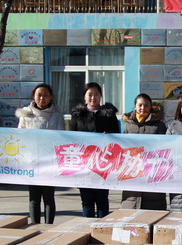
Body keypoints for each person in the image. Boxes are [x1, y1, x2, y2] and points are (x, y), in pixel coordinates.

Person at [15, 83, 65, 224]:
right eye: (39, 95)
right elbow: (20, 138)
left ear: (51, 97)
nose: (42, 98)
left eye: (45, 95)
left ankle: (49, 226)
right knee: (34, 197)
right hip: (31, 162)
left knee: (49, 197)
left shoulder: (57, 115)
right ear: (33, 96)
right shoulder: (25, 114)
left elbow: (60, 137)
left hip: (50, 161)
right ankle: (35, 225)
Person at [69, 82, 120, 218]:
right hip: (84, 163)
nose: (93, 98)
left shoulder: (109, 114)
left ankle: (102, 228)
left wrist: (108, 136)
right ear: (84, 96)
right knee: (87, 201)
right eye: (90, 94)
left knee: (102, 200)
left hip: (103, 163)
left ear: (101, 96)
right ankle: (87, 227)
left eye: (96, 94)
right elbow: (71, 138)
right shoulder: (77, 115)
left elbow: (117, 137)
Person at [119, 93, 167, 210]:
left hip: (152, 172)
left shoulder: (159, 126)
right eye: (140, 105)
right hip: (132, 172)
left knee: (153, 212)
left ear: (150, 107)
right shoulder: (128, 126)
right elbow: (123, 148)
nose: (143, 108)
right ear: (135, 106)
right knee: (130, 211)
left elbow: (164, 149)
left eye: (146, 105)